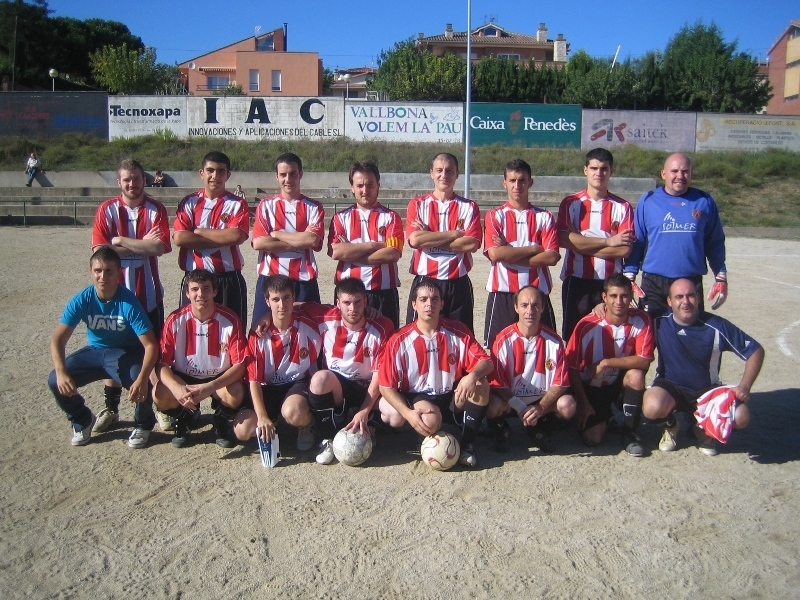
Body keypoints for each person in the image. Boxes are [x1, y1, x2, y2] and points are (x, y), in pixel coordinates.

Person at [91, 158, 172, 433]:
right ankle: (111, 408)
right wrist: (141, 245)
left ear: (144, 180)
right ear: (119, 182)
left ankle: (159, 406)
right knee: (114, 352)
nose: (132, 184)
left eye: (137, 178)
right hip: (114, 298)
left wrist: (120, 241)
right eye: (127, 179)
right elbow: (99, 253)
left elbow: (159, 248)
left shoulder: (155, 209)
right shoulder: (107, 210)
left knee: (154, 352)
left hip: (148, 296)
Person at [48, 247, 158, 448]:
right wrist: (61, 371)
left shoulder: (128, 302)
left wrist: (143, 378)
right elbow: (58, 339)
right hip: (95, 352)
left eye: (109, 271)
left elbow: (150, 345)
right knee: (55, 379)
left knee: (142, 379)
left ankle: (143, 424)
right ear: (91, 272)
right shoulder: (82, 299)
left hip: (125, 353)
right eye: (98, 271)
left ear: (118, 273)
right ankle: (82, 419)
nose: (103, 276)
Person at [643, 278, 764, 456]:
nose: (685, 301)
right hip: (670, 388)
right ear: (669, 301)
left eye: (691, 295)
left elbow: (756, 351)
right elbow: (624, 313)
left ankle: (703, 428)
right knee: (651, 406)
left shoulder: (716, 325)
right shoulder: (657, 320)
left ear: (698, 298)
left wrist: (745, 386)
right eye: (679, 297)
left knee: (741, 417)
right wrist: (602, 307)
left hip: (707, 392)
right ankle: (671, 426)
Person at [379, 278, 494, 467]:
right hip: (420, 397)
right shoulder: (399, 339)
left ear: (442, 304)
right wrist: (408, 413)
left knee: (481, 384)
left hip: (452, 395)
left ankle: (467, 444)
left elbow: (486, 362)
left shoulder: (458, 331)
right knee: (430, 421)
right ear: (414, 304)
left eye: (434, 299)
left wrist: (472, 376)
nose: (429, 304)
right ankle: (426, 436)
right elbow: (385, 386)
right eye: (423, 299)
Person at [298, 277, 394, 464]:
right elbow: (292, 306)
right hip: (339, 387)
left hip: (368, 388)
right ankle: (329, 437)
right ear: (338, 303)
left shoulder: (383, 325)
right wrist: (266, 317)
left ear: (366, 301)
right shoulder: (325, 315)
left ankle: (369, 424)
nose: (352, 308)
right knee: (319, 379)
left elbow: (379, 375)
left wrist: (364, 410)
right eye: (347, 303)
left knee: (395, 415)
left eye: (358, 302)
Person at [624, 152, 728, 319]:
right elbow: (637, 240)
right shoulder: (648, 201)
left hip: (689, 282)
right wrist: (629, 276)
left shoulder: (704, 201)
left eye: (685, 171)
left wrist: (721, 276)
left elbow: (715, 242)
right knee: (653, 330)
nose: (680, 176)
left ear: (691, 174)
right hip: (654, 283)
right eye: (674, 171)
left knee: (691, 331)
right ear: (663, 174)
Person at [153, 269, 248, 448]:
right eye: (195, 289)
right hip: (185, 376)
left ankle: (220, 420)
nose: (200, 294)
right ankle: (185, 418)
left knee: (236, 391)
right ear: (187, 293)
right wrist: (176, 388)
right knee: (160, 393)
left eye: (206, 288)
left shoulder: (230, 320)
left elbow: (240, 365)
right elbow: (162, 363)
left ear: (215, 291)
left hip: (218, 377)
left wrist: (210, 386)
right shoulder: (175, 319)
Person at [566, 273, 655, 456]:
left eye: (624, 296)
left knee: (636, 375)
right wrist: (583, 403)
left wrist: (606, 362)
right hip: (591, 386)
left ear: (631, 296)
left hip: (617, 381)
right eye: (614, 296)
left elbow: (644, 360)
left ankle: (630, 432)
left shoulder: (641, 320)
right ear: (604, 297)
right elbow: (572, 367)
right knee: (592, 439)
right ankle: (605, 415)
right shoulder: (586, 325)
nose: (619, 301)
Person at [234, 274, 323, 454]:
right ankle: (271, 422)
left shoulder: (310, 323)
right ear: (267, 301)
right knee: (242, 430)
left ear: (294, 297)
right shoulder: (258, 334)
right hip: (268, 387)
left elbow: (341, 310)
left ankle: (307, 424)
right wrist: (262, 416)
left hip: (298, 383)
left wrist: (368, 311)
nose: (282, 305)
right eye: (276, 299)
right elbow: (254, 380)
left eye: (286, 298)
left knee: (293, 412)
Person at [557, 148, 635, 342]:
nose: (598, 173)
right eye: (594, 168)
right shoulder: (570, 203)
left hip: (610, 283)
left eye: (604, 169)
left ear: (611, 171)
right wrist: (608, 241)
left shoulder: (622, 207)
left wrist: (580, 242)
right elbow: (564, 240)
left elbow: (624, 249)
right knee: (574, 339)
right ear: (585, 170)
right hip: (577, 280)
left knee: (608, 338)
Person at [486, 286, 576, 452]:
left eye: (535, 305)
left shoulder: (554, 342)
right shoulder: (502, 340)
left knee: (568, 405)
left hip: (541, 402)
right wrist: (520, 406)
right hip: (511, 401)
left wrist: (541, 408)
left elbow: (561, 383)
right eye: (524, 305)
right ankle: (502, 430)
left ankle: (540, 429)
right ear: (516, 307)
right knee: (491, 404)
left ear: (543, 308)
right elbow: (497, 383)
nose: (530, 311)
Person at [483, 159, 560, 349]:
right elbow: (495, 254)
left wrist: (508, 252)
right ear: (504, 183)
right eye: (512, 180)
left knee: (544, 349)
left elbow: (551, 257)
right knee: (498, 351)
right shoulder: (495, 215)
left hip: (537, 294)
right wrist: (534, 249)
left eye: (522, 180)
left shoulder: (544, 217)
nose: (517, 185)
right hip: (503, 294)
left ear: (530, 182)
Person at [405, 153, 482, 333]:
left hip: (458, 283)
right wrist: (453, 234)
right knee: (420, 335)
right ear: (431, 173)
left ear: (457, 174)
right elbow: (415, 240)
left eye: (449, 171)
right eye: (439, 170)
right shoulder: (417, 204)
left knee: (460, 337)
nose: (444, 175)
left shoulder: (469, 207)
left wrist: (429, 237)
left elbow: (471, 244)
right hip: (426, 280)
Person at [172, 151, 249, 329]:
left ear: (228, 175)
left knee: (231, 332)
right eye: (210, 170)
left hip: (227, 279)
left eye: (221, 171)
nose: (215, 176)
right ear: (202, 173)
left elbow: (236, 236)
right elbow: (180, 238)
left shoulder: (237, 204)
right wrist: (222, 238)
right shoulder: (189, 202)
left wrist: (198, 232)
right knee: (191, 332)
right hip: (194, 279)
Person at [251, 152, 324, 327]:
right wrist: (300, 240)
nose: (288, 179)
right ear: (276, 176)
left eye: (293, 174)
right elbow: (260, 243)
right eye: (283, 174)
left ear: (301, 174)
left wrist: (276, 234)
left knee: (309, 331)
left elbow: (313, 241)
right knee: (263, 331)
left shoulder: (314, 207)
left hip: (303, 280)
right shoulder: (266, 206)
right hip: (270, 279)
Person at [328, 161, 404, 328]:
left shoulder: (391, 217)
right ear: (352, 187)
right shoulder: (340, 218)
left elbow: (392, 254)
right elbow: (337, 252)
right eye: (360, 185)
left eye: (370, 185)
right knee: (347, 341)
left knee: (386, 340)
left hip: (383, 293)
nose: (365, 190)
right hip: (348, 295)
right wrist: (374, 245)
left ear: (378, 185)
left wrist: (351, 251)